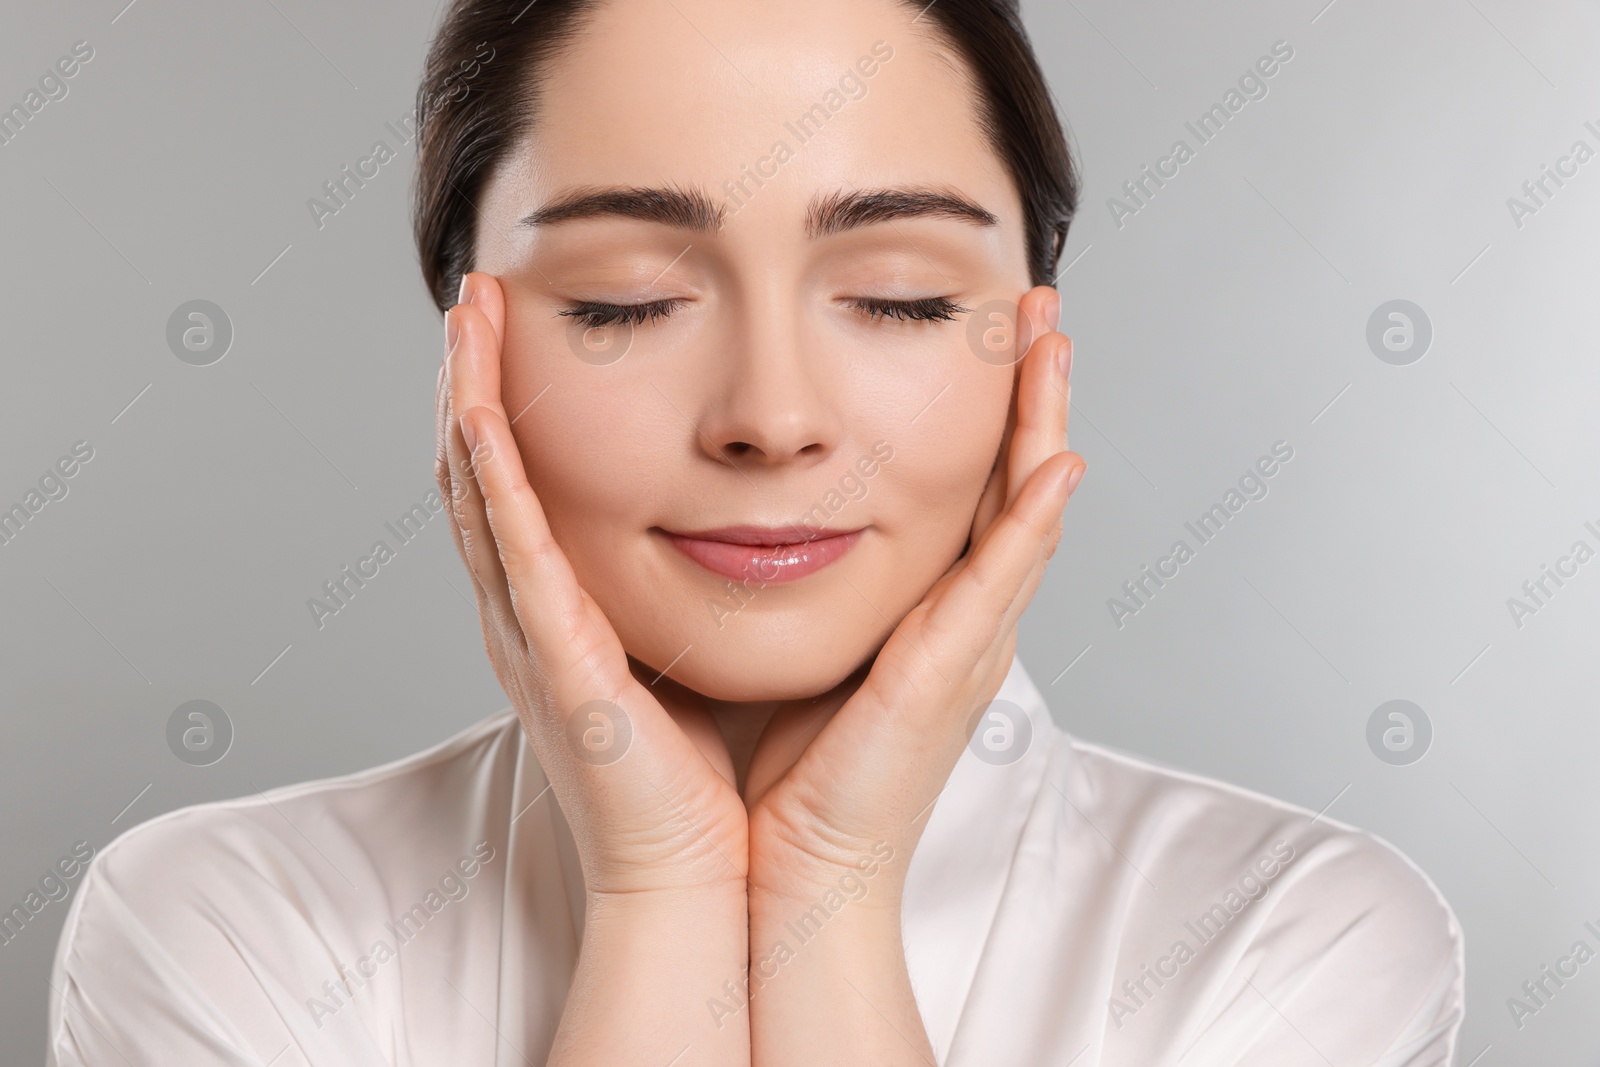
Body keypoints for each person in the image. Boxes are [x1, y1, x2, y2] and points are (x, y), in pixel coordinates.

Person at [47, 0, 1463, 1063]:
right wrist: (657, 894)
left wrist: (829, 896)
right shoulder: (226, 928)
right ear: (464, 360)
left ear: (1034, 354)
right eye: (621, 302)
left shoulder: (1289, 943)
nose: (772, 418)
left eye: (902, 296)